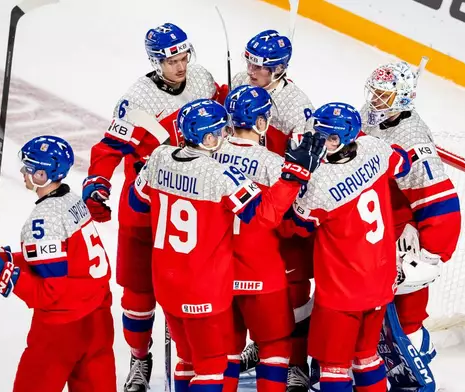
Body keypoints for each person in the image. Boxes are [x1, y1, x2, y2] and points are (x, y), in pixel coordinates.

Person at [127, 98, 325, 392]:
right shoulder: (224, 174)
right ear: (207, 137)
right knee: (227, 363)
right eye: (220, 131)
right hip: (226, 279)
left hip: (170, 282)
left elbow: (136, 203)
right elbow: (265, 217)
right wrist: (293, 176)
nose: (224, 135)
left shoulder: (158, 157)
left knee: (191, 359)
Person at [82, 22, 227, 392]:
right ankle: (138, 358)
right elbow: (109, 149)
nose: (180, 66)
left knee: (202, 290)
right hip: (145, 209)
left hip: (195, 202)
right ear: (154, 61)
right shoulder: (138, 100)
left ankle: (203, 359)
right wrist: (98, 182)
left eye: (183, 57)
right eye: (170, 60)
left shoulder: (201, 79)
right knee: (138, 294)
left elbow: (224, 108)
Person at [0, 135, 115, 392]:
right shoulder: (72, 200)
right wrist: (10, 259)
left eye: (30, 168)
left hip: (61, 330)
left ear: (42, 176)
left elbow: (49, 294)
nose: (24, 172)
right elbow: (60, 258)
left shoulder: (43, 220)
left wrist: (8, 277)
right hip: (98, 318)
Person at [283, 102, 412, 392]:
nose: (319, 141)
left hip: (342, 292)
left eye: (328, 137)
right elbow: (402, 162)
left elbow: (294, 227)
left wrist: (297, 177)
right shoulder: (374, 148)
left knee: (333, 367)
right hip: (380, 281)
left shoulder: (321, 183)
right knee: (366, 357)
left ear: (344, 138)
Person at [361, 61, 461, 390]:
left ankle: (416, 353)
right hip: (374, 222)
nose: (375, 99)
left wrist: (432, 254)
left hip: (403, 231)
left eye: (384, 95)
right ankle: (374, 359)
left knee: (408, 306)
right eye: (374, 92)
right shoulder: (370, 114)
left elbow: (439, 199)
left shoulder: (412, 138)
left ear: (402, 99)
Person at [232, 29, 316, 390]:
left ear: (279, 69)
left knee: (293, 288)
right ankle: (260, 345)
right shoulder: (240, 82)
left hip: (282, 203)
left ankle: (295, 361)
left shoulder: (297, 106)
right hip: (245, 205)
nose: (251, 71)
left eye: (261, 67)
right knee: (246, 289)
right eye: (250, 61)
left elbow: (309, 165)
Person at [212, 85, 296, 392]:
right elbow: (288, 224)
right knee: (274, 348)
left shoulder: (208, 157)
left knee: (226, 351)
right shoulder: (275, 164)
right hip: (263, 274)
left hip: (217, 273)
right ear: (261, 123)